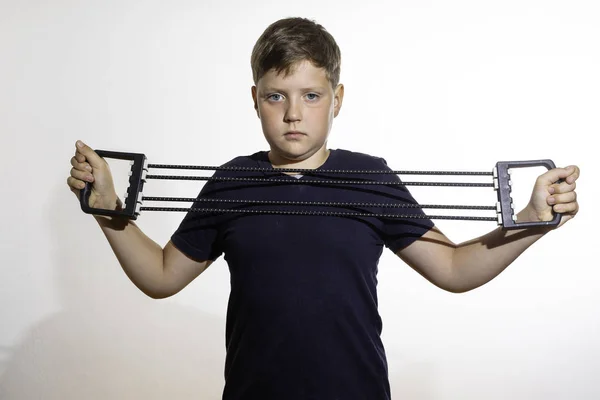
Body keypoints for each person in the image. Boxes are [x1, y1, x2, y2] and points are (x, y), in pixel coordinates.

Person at [66, 17, 579, 400]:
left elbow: (452, 269)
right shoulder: (232, 181)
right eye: (276, 96)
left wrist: (532, 222)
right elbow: (161, 277)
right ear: (254, 98)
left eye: (311, 95)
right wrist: (109, 212)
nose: (293, 113)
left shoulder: (369, 176)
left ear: (337, 98)